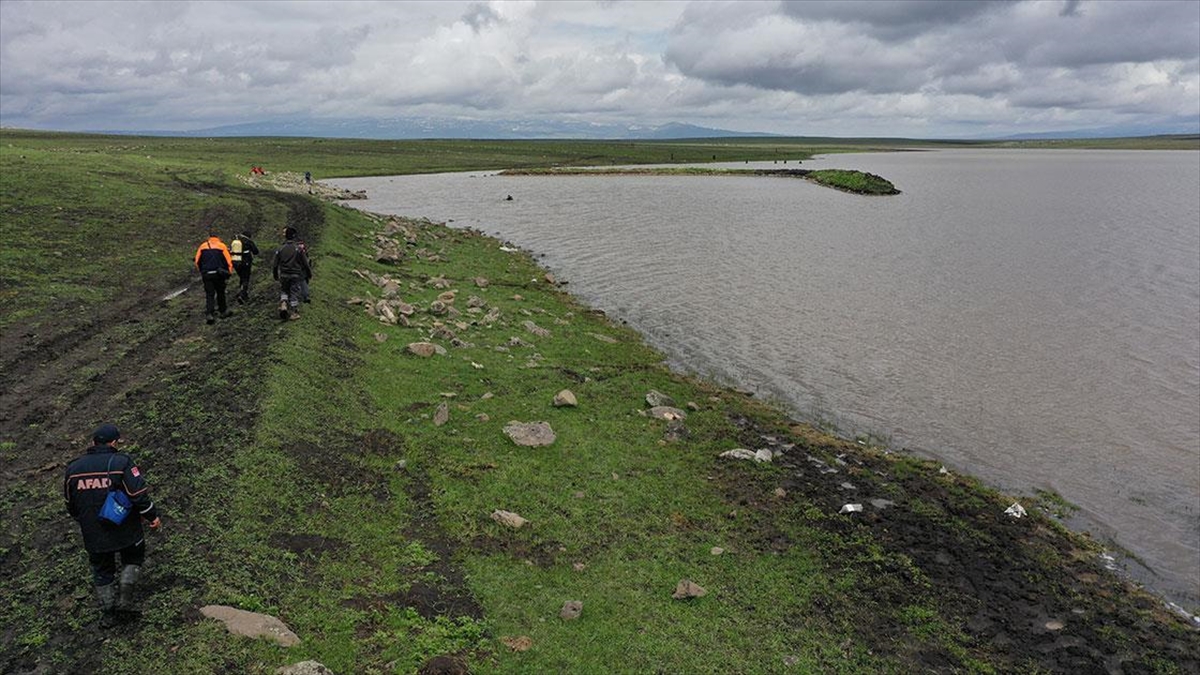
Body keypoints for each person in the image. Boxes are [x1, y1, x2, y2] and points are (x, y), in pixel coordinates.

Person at [64, 424, 161, 627]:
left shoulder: (73, 468)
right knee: (133, 557)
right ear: (115, 442)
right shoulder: (121, 462)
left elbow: (70, 503)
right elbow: (137, 495)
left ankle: (108, 614)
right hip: (125, 528)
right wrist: (152, 516)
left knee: (102, 569)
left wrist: (85, 521)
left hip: (93, 532)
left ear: (93, 442)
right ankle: (126, 602)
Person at [194, 229, 234, 325]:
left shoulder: (202, 246)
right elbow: (229, 261)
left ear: (209, 238)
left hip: (207, 274)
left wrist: (202, 271)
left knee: (210, 294)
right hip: (219, 274)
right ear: (218, 238)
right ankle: (223, 311)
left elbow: (197, 260)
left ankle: (209, 314)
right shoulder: (222, 246)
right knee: (221, 292)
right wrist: (228, 273)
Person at [272, 226, 312, 320]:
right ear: (294, 236)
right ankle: (294, 312)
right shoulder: (298, 249)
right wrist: (309, 273)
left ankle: (284, 303)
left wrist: (275, 274)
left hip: (284, 274)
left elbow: (275, 264)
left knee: (284, 290)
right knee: (294, 292)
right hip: (295, 274)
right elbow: (305, 263)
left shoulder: (280, 248)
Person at [229, 231, 260, 304]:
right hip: (246, 263)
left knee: (241, 277)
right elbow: (256, 251)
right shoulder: (248, 241)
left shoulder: (236, 241)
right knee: (245, 278)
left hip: (236, 263)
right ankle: (242, 294)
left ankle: (243, 293)